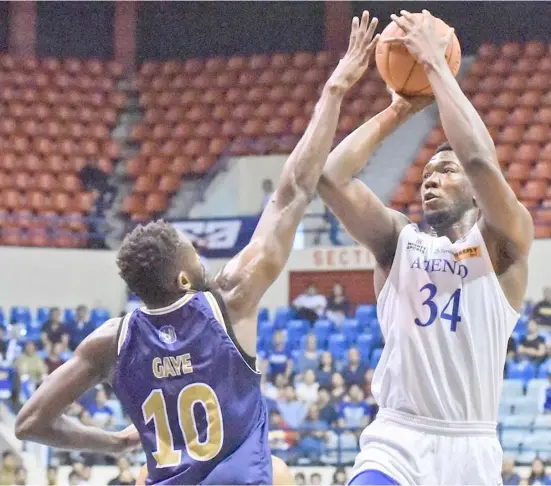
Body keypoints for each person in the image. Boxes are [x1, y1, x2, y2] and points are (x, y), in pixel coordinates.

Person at [14, 12, 380, 486]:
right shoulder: (228, 300)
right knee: (281, 475)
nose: (206, 261)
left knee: (284, 472)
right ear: (183, 279)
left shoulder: (110, 340)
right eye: (196, 255)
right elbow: (291, 192)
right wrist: (334, 90)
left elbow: (29, 424)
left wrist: (116, 442)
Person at [317, 10, 533, 485]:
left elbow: (478, 157)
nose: (431, 179)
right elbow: (331, 178)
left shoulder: (504, 245)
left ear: (477, 190)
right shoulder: (400, 244)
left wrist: (435, 66)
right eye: (426, 175)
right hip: (397, 440)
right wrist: (398, 109)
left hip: (470, 447)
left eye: (446, 172)